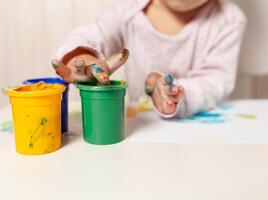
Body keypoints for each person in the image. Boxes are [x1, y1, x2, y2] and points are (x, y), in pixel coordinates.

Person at [52, 0, 246, 118]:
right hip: (141, 130)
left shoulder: (228, 19)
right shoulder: (127, 8)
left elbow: (215, 80)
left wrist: (177, 93)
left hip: (201, 129)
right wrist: (82, 57)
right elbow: (92, 35)